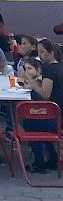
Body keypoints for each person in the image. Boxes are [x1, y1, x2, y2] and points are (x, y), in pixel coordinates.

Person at [21, 38, 63, 173]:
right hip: (59, 117)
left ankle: (39, 161)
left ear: (51, 53)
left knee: (29, 123)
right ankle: (52, 157)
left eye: (43, 52)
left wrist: (30, 80)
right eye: (39, 52)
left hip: (53, 117)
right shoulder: (60, 67)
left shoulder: (49, 69)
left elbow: (45, 94)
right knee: (37, 124)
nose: (40, 55)